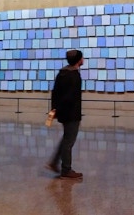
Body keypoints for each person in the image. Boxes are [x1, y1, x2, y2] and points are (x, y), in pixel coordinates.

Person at [46, 49, 84, 179]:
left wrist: (55, 109)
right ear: (79, 60)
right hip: (72, 114)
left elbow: (55, 92)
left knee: (66, 139)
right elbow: (71, 98)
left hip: (62, 112)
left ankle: (54, 162)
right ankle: (66, 170)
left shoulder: (62, 73)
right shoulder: (75, 76)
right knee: (69, 141)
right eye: (82, 58)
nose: (83, 60)